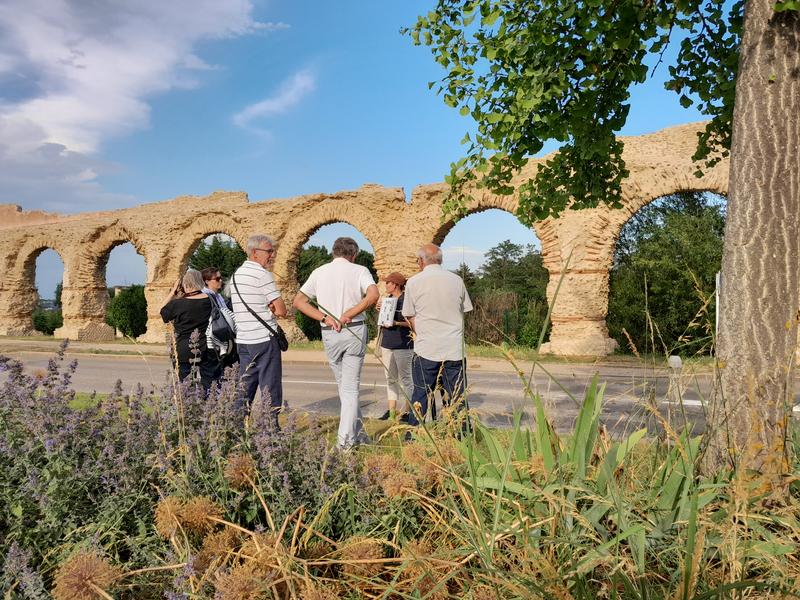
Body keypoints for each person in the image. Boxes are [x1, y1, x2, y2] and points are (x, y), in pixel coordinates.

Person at [293, 237, 379, 448]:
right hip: (354, 330)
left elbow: (298, 301)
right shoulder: (359, 270)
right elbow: (373, 294)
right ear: (354, 254)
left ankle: (359, 435)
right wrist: (350, 313)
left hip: (329, 331)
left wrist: (324, 318)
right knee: (349, 390)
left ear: (334, 252)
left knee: (345, 388)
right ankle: (344, 444)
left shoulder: (319, 272)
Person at [402, 243, 473, 431]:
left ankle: (413, 437)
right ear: (440, 260)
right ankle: (461, 436)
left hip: (427, 347)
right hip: (454, 348)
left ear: (421, 261)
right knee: (456, 397)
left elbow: (409, 314)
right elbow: (465, 309)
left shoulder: (414, 282)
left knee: (421, 395)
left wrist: (422, 331)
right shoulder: (456, 280)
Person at [230, 234, 287, 427]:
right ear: (255, 253)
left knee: (245, 387)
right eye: (269, 251)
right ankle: (271, 432)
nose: (272, 255)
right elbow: (281, 310)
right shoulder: (262, 275)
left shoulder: (236, 275)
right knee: (270, 386)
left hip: (244, 340)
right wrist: (272, 307)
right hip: (263, 339)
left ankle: (236, 429)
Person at [160, 268, 222, 391]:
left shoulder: (177, 304)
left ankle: (189, 408)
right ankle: (210, 408)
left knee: (186, 386)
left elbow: (161, 312)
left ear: (184, 284)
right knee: (210, 386)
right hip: (208, 347)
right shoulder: (212, 299)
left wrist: (173, 292)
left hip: (184, 349)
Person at [377, 272, 413, 421]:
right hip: (387, 343)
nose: (386, 285)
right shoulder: (388, 300)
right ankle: (391, 411)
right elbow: (383, 320)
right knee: (390, 379)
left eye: (388, 283)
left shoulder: (406, 301)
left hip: (403, 344)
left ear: (396, 285)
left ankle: (407, 412)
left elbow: (412, 323)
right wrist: (381, 312)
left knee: (406, 379)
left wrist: (397, 323)